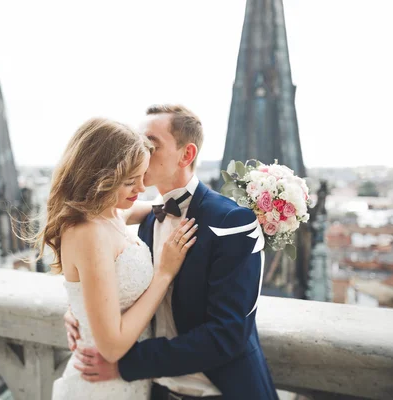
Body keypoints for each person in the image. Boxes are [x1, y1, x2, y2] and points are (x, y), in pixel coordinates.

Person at [65, 105, 279, 400]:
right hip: (156, 391)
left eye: (150, 146)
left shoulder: (232, 221)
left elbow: (227, 335)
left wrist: (126, 365)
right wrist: (83, 313)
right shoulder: (146, 217)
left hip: (222, 392)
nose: (138, 152)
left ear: (186, 155)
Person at [38, 117, 198, 400]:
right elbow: (111, 347)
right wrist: (164, 274)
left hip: (131, 383)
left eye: (142, 176)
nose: (140, 189)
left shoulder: (112, 213)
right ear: (99, 179)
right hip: (101, 386)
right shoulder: (88, 232)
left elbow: (161, 207)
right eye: (129, 182)